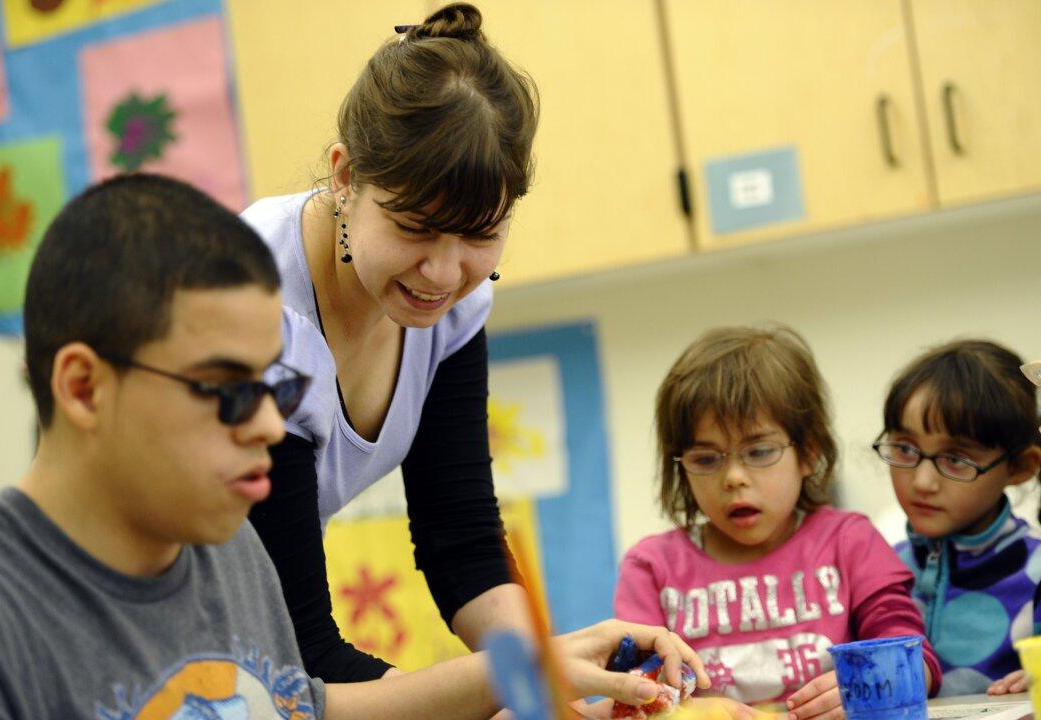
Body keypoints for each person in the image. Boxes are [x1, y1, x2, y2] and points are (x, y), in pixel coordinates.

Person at [0, 173, 711, 720]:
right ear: (84, 388)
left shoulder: (233, 559)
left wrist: (536, 673)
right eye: (229, 389)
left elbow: (310, 710)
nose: (268, 427)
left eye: (278, 388)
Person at [240, 2, 541, 681]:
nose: (444, 273)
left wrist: (543, 683)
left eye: (481, 234)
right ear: (346, 177)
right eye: (415, 228)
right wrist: (497, 699)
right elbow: (302, 654)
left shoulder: (453, 313)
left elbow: (463, 541)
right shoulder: (253, 310)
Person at [614, 325, 942, 719]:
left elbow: (913, 659)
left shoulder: (849, 540)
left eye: (759, 451)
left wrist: (874, 684)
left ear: (809, 453)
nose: (734, 477)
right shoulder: (652, 567)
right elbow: (633, 694)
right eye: (706, 459)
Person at [875, 340, 1041, 697]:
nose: (922, 482)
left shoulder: (1037, 571)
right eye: (905, 449)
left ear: (1020, 467)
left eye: (956, 459)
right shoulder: (877, 569)